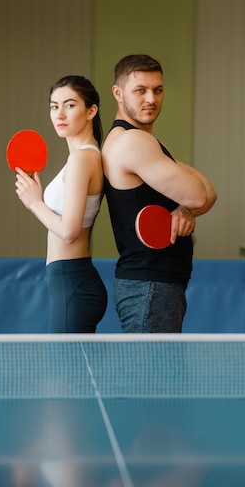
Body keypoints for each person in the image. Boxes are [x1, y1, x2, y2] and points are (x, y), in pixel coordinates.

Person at [102, 54, 217, 333]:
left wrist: (185, 209)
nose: (151, 99)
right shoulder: (133, 141)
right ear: (118, 93)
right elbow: (200, 195)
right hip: (150, 286)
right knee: (149, 375)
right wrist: (190, 203)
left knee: (156, 374)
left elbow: (208, 191)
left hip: (155, 285)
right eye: (140, 90)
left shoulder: (147, 141)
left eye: (158, 89)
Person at [14, 75, 107, 333]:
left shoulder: (83, 159)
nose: (60, 114)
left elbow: (69, 232)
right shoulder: (83, 157)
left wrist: (35, 203)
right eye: (54, 106)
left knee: (65, 373)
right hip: (70, 281)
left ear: (91, 111)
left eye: (70, 105)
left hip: (72, 281)